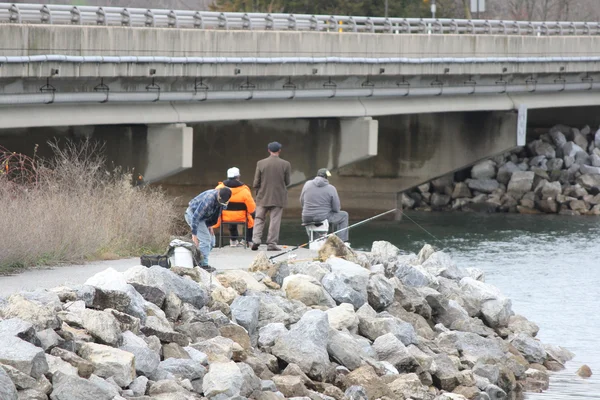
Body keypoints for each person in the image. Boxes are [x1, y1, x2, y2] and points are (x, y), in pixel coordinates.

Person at [251, 141, 291, 251]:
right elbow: (287, 182)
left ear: (268, 150)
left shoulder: (260, 163)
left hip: (262, 196)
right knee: (275, 220)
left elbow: (255, 183)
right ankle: (271, 243)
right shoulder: (285, 164)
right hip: (278, 197)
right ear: (279, 150)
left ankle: (256, 240)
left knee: (259, 218)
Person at [184, 187, 232, 271]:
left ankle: (196, 260)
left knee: (212, 242)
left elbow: (216, 212)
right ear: (218, 195)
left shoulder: (224, 199)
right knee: (206, 240)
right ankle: (202, 265)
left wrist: (210, 225)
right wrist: (194, 235)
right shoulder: (208, 200)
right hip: (193, 215)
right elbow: (196, 217)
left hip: (204, 219)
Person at [300, 168, 350, 243]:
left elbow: (301, 200)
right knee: (344, 215)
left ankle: (315, 240)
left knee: (321, 217)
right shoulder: (331, 188)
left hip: (306, 217)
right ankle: (341, 242)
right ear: (326, 177)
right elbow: (336, 209)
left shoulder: (307, 184)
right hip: (321, 217)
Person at [213, 167, 256, 247]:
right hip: (241, 217)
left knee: (229, 214)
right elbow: (251, 208)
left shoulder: (219, 189)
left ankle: (233, 240)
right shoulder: (245, 190)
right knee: (251, 215)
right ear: (238, 177)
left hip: (223, 217)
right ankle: (248, 240)